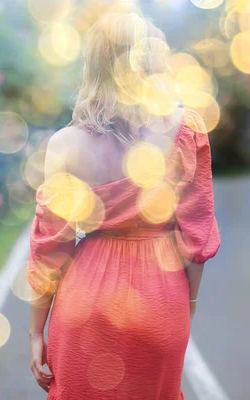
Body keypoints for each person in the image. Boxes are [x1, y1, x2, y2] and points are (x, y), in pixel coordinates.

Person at [27, 13, 221, 400]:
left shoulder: (65, 145)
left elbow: (50, 249)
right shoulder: (187, 128)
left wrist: (36, 330)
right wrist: (189, 303)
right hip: (162, 297)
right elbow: (196, 237)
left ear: (94, 68)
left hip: (85, 299)